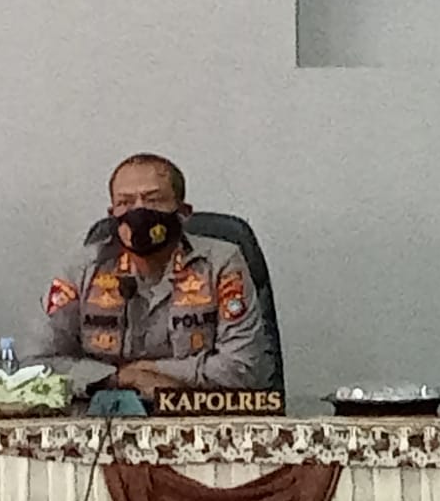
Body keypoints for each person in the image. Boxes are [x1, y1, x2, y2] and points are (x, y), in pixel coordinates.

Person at [25, 153, 266, 397]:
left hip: (194, 413)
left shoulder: (221, 264)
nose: (139, 211)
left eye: (153, 200)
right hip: (100, 412)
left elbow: (243, 368)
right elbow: (34, 367)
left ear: (183, 212)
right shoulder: (81, 269)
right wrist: (116, 378)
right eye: (125, 202)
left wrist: (151, 372)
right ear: (112, 214)